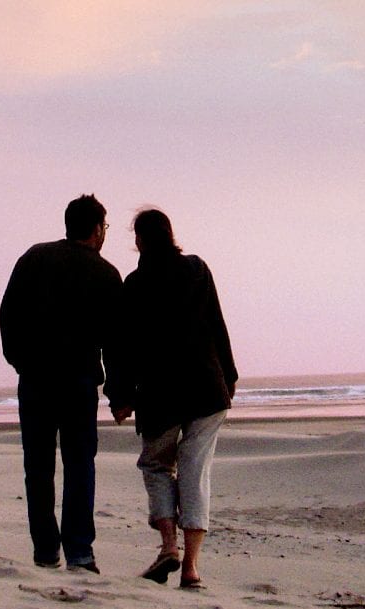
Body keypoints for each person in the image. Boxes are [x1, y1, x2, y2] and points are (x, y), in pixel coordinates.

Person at [111, 208, 237, 590]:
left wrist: (120, 394)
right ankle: (192, 568)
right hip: (205, 386)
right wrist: (228, 378)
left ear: (139, 241)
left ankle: (169, 546)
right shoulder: (197, 269)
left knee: (156, 465)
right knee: (196, 472)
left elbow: (122, 346)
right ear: (171, 235)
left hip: (160, 393)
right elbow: (217, 324)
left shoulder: (134, 284)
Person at [0, 194, 125, 574]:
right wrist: (119, 393)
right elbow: (116, 343)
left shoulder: (34, 258)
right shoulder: (106, 273)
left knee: (38, 465)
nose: (105, 233)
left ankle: (45, 549)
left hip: (35, 378)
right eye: (105, 227)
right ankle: (80, 551)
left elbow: (8, 313)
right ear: (96, 229)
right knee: (79, 464)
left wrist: (19, 359)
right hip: (79, 381)